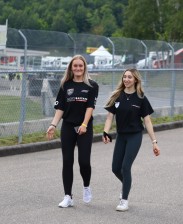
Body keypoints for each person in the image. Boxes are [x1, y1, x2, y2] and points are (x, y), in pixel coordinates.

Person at [102, 68, 160, 212]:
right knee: (115, 168)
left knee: (125, 167)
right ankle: (127, 184)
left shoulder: (141, 98)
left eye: (129, 77)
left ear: (135, 80)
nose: (126, 79)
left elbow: (147, 121)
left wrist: (154, 142)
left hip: (135, 136)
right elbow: (110, 117)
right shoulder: (117, 96)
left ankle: (124, 200)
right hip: (121, 135)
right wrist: (105, 132)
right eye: (124, 77)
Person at [46, 55, 99, 208]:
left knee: (84, 162)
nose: (77, 68)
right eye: (75, 66)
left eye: (80, 66)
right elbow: (60, 108)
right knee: (67, 161)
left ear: (84, 67)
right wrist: (53, 125)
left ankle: (86, 186)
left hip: (84, 128)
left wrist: (84, 124)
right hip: (68, 127)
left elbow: (90, 107)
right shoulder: (65, 85)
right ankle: (68, 196)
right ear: (71, 68)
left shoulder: (92, 85)